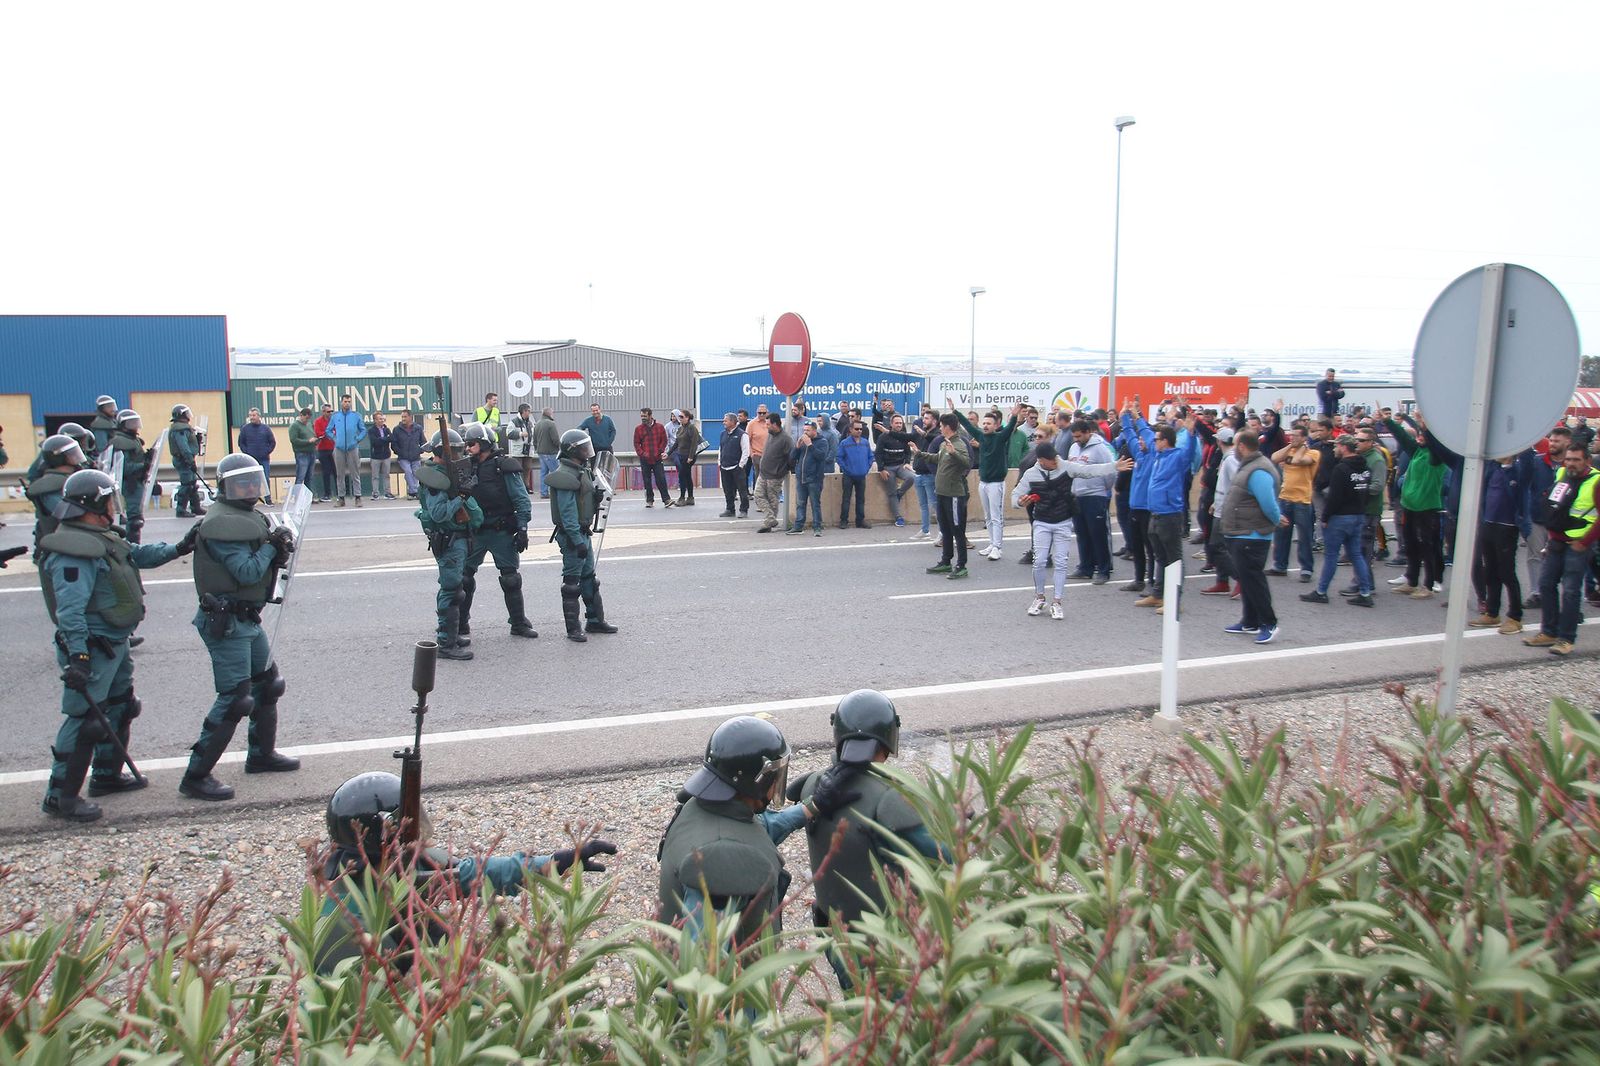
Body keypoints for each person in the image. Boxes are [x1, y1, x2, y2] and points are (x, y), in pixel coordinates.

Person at [315, 770, 617, 975]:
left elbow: (469, 875)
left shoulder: (397, 868)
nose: (419, 835)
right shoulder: (347, 923)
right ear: (386, 840)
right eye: (408, 828)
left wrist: (554, 862)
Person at [37, 469, 196, 821]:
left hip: (114, 642)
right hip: (92, 647)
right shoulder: (73, 551)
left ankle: (107, 776)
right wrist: (77, 656)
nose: (114, 505)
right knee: (86, 720)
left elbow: (137, 555)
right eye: (108, 500)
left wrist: (179, 548)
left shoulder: (102, 537)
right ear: (92, 505)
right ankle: (60, 795)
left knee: (122, 706)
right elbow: (70, 611)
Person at [657, 715, 859, 947]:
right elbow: (702, 962)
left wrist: (813, 806)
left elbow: (757, 828)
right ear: (759, 780)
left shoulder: (698, 809)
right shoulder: (722, 861)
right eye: (775, 776)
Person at [790, 690, 947, 988]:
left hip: (832, 928)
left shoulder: (816, 784)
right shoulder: (888, 801)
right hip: (879, 943)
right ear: (888, 738)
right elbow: (943, 855)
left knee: (857, 1009)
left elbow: (792, 794)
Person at [180, 454, 301, 802]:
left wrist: (277, 550)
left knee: (268, 684)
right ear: (225, 487)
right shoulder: (221, 526)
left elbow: (262, 564)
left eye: (253, 481)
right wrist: (268, 548)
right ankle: (196, 774)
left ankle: (261, 755)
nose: (249, 488)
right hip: (227, 621)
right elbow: (246, 571)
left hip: (247, 617)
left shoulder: (246, 517)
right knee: (235, 698)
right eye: (241, 483)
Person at [1012, 442, 1131, 618]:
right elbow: (1015, 495)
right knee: (1039, 561)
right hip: (1042, 522)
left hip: (1063, 522)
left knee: (1061, 563)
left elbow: (1089, 471)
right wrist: (1020, 502)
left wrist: (1114, 466)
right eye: (1051, 460)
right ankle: (1039, 597)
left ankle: (1057, 602)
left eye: (1056, 457)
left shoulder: (1065, 466)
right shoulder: (1031, 474)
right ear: (1041, 461)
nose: (1055, 461)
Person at [454, 423, 537, 642]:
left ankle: (518, 623)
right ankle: (460, 624)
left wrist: (522, 528)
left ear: (483, 444)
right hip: (475, 531)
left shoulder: (503, 466)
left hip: (500, 530)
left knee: (510, 579)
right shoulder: (464, 467)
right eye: (466, 444)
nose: (468, 448)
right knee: (463, 578)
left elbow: (521, 499)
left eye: (471, 444)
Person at [1524, 443, 1598, 656]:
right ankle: (1549, 632)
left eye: (1576, 459)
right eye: (1569, 459)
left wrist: (1585, 542)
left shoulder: (1596, 481)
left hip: (1578, 544)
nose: (1571, 463)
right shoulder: (1563, 473)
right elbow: (1556, 506)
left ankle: (1566, 638)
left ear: (1587, 461)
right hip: (1556, 540)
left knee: (1571, 591)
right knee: (1546, 584)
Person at [416, 429, 481, 661]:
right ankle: (446, 642)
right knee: (451, 590)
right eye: (454, 450)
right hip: (448, 539)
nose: (459, 454)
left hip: (458, 539)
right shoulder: (435, 480)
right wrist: (460, 498)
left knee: (456, 589)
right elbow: (440, 512)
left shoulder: (445, 474)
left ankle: (450, 635)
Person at [547, 429, 617, 642]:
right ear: (573, 451)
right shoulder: (564, 475)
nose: (588, 451)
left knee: (589, 579)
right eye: (584, 447)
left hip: (581, 533)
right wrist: (577, 541)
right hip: (572, 536)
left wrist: (594, 499)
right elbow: (568, 513)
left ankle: (595, 620)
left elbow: (582, 503)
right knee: (572, 583)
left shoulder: (580, 470)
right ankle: (573, 628)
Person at [1221, 431, 1286, 645]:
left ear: (1241, 446)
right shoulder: (1249, 465)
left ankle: (1269, 622)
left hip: (1253, 534)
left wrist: (1276, 519)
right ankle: (1250, 620)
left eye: (1235, 444)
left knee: (1254, 579)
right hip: (1241, 532)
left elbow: (1267, 502)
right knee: (1246, 578)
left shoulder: (1259, 469)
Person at [1132, 405, 1199, 614]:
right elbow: (1144, 432)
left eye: (1157, 439)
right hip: (1155, 512)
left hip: (1170, 514)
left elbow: (1189, 451)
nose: (1154, 441)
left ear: (1165, 441)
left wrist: (1190, 432)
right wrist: (1136, 417)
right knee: (1160, 556)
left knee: (1174, 559)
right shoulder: (1158, 455)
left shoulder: (1177, 456)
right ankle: (1158, 594)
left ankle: (1174, 600)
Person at [1382, 412, 1454, 599]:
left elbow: (1432, 441)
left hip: (1427, 508)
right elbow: (1404, 437)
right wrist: (1388, 422)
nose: (1420, 438)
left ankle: (1428, 585)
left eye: (1423, 436)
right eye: (1419, 435)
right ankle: (1411, 581)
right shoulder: (1417, 451)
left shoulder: (1435, 457)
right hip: (1410, 506)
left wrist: (1425, 426)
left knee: (1428, 547)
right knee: (1411, 545)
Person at [1300, 436, 1375, 608]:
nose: (1334, 449)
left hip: (1340, 517)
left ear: (1343, 447)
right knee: (1356, 555)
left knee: (1331, 556)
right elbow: (1367, 491)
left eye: (1336, 446)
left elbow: (1335, 497)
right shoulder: (1365, 468)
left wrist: (1325, 517)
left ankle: (1321, 591)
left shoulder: (1341, 469)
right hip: (1358, 515)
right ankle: (1365, 592)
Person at [1470, 450, 1537, 634]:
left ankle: (1515, 616)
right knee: (1490, 571)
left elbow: (1528, 461)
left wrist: (1520, 444)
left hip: (1507, 527)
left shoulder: (1518, 472)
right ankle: (1492, 613)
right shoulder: (1493, 469)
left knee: (1507, 572)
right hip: (1488, 524)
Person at [951, 401, 1023, 561]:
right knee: (988, 516)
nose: (985, 425)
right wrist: (955, 410)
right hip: (983, 483)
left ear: (996, 425)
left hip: (996, 483)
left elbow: (1011, 427)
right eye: (983, 423)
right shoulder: (981, 437)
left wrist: (1014, 415)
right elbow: (967, 426)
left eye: (988, 423)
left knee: (996, 516)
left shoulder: (1000, 437)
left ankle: (997, 547)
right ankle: (991, 543)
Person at [909, 413, 973, 579]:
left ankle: (961, 565)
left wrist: (954, 453)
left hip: (954, 495)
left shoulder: (958, 444)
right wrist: (919, 453)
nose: (939, 428)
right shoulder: (946, 444)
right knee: (945, 529)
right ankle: (946, 561)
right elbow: (937, 458)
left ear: (947, 427)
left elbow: (967, 463)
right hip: (942, 493)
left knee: (957, 530)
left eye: (941, 426)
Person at [1067, 418, 1117, 583]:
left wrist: (1103, 489)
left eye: (1079, 436)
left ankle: (1103, 569)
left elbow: (1110, 472)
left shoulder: (1100, 449)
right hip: (1077, 495)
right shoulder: (1074, 448)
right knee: (1082, 533)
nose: (1076, 440)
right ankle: (1085, 567)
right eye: (1074, 436)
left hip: (1095, 496)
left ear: (1088, 432)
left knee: (1098, 534)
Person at [1113, 400, 1156, 592]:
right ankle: (1139, 579)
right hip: (1135, 508)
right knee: (1137, 546)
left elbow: (1146, 434)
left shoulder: (1155, 457)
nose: (1140, 442)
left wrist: (1138, 418)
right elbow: (1130, 436)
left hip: (1148, 510)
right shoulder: (1139, 455)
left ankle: (1153, 581)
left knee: (1151, 548)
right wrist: (1124, 417)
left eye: (1143, 440)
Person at [1268, 425, 1320, 582]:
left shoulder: (1313, 453)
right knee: (1282, 534)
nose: (1293, 438)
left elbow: (1298, 460)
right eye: (1292, 435)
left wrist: (1302, 447)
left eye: (1297, 436)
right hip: (1285, 498)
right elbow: (1274, 458)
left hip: (1302, 500)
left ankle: (1306, 569)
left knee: (1304, 536)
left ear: (1305, 438)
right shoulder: (1289, 450)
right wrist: (1291, 445)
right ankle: (1280, 565)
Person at [27, 433, 87, 554]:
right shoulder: (50, 487)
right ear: (59, 457)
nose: (76, 455)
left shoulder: (67, 479)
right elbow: (70, 514)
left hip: (74, 541)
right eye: (71, 453)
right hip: (63, 548)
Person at [1199, 426, 1239, 596]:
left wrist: (1223, 503)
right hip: (1220, 506)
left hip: (1226, 511)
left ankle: (1240, 578)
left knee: (1216, 545)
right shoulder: (1226, 457)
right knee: (1221, 546)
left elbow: (1237, 483)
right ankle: (1222, 581)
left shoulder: (1230, 459)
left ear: (1219, 441)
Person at [106, 410, 152, 543]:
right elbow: (124, 467)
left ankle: (133, 546)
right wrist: (142, 465)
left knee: (137, 518)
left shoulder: (132, 439)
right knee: (135, 520)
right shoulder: (120, 441)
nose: (135, 426)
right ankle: (132, 548)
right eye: (131, 423)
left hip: (137, 480)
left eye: (136, 422)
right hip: (129, 482)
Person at [753, 412, 793, 532]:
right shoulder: (770, 435)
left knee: (772, 499)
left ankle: (769, 522)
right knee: (758, 495)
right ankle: (770, 519)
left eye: (768, 424)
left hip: (775, 475)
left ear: (775, 424)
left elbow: (790, 458)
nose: (766, 426)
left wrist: (782, 470)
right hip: (763, 473)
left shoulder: (785, 439)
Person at [874, 414, 916, 528]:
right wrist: (881, 469)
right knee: (891, 492)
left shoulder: (903, 436)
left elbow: (908, 452)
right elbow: (878, 454)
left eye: (900, 423)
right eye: (896, 423)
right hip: (888, 468)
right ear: (891, 424)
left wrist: (907, 462)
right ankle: (898, 517)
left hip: (900, 466)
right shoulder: (883, 437)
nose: (899, 425)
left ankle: (899, 494)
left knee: (912, 477)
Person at [787, 421, 828, 536]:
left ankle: (817, 527)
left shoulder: (822, 442)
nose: (805, 433)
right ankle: (798, 526)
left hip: (814, 478)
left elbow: (821, 457)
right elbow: (792, 458)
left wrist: (810, 445)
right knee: (800, 503)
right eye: (804, 430)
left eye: (808, 430)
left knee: (815, 504)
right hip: (801, 478)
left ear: (814, 430)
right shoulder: (803, 442)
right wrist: (797, 447)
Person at [326, 395, 367, 506]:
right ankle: (341, 498)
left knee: (355, 473)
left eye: (349, 401)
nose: (347, 403)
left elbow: (363, 430)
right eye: (345, 401)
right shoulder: (335, 416)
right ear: (341, 403)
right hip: (339, 448)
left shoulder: (356, 416)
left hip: (352, 448)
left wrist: (357, 439)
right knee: (340, 474)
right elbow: (328, 430)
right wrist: (335, 439)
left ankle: (358, 497)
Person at [168, 404, 206, 518]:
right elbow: (183, 447)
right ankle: (180, 510)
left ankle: (196, 507)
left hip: (186, 459)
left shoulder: (183, 428)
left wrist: (197, 441)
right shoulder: (180, 429)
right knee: (186, 485)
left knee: (192, 484)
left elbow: (189, 443)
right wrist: (190, 461)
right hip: (183, 460)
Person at [908, 410, 942, 541]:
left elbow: (934, 439)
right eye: (924, 418)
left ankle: (942, 532)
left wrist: (923, 433)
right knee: (923, 505)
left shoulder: (937, 434)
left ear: (934, 421)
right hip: (919, 474)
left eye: (927, 418)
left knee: (935, 504)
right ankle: (925, 530)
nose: (924, 421)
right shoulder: (921, 434)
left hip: (930, 475)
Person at [836, 420, 874, 529]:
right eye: (857, 429)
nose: (859, 431)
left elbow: (870, 457)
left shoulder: (865, 442)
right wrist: (846, 469)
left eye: (861, 429)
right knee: (846, 498)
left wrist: (867, 467)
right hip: (848, 476)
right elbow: (839, 457)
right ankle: (843, 521)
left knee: (861, 499)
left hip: (862, 475)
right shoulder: (844, 443)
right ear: (851, 430)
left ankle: (860, 521)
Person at [634, 407, 674, 509]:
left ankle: (666, 500)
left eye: (645, 416)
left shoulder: (660, 427)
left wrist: (660, 451)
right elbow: (636, 443)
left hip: (657, 458)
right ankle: (649, 500)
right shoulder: (638, 429)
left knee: (661, 479)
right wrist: (642, 453)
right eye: (641, 416)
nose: (643, 418)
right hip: (645, 459)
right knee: (647, 480)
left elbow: (664, 440)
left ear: (650, 416)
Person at [237, 408, 277, 504]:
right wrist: (247, 453)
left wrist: (266, 451)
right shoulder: (245, 429)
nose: (252, 417)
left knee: (265, 479)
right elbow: (241, 443)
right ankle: (252, 499)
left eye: (254, 415)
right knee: (252, 480)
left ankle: (268, 499)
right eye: (250, 415)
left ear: (259, 416)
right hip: (251, 460)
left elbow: (272, 442)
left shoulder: (265, 428)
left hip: (264, 459)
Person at [716, 412, 750, 518]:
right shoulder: (723, 434)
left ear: (732, 422)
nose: (723, 422)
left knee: (742, 489)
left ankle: (744, 510)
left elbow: (746, 451)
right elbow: (721, 449)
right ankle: (730, 509)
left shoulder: (742, 434)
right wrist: (719, 462)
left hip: (737, 467)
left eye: (725, 420)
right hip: (725, 466)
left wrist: (740, 465)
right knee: (728, 490)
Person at [392, 410, 425, 499]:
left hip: (415, 457)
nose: (403, 419)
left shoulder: (418, 428)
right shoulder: (397, 430)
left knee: (416, 473)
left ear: (410, 417)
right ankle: (414, 491)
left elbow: (423, 442)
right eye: (402, 417)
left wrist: (419, 450)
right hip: (403, 457)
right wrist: (399, 452)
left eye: (405, 417)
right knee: (408, 471)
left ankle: (413, 492)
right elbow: (394, 444)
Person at [671, 409, 702, 506]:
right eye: (679, 416)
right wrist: (668, 453)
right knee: (687, 476)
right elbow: (676, 443)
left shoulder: (691, 428)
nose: (679, 419)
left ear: (687, 418)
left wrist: (691, 457)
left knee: (682, 475)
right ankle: (690, 498)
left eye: (682, 417)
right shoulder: (680, 429)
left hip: (688, 457)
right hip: (681, 455)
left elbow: (694, 443)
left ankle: (682, 498)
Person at [507, 403, 537, 493]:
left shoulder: (530, 422)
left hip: (528, 450)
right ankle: (518, 487)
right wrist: (520, 434)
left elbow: (533, 434)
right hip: (518, 450)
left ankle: (526, 487)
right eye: (528, 411)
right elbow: (509, 434)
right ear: (524, 411)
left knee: (527, 468)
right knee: (518, 469)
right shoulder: (513, 422)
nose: (530, 413)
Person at [289, 407, 318, 495]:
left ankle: (308, 497)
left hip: (311, 452)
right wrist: (308, 441)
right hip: (302, 454)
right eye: (306, 418)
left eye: (308, 418)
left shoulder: (309, 424)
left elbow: (312, 434)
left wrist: (315, 440)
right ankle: (296, 496)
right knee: (301, 476)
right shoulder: (295, 426)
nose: (307, 420)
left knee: (309, 477)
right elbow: (294, 440)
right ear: (301, 415)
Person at [367, 413, 395, 499]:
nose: (382, 420)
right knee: (375, 476)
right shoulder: (371, 430)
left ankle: (387, 492)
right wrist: (384, 439)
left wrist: (383, 439)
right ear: (375, 420)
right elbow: (375, 441)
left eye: (382, 419)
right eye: (379, 419)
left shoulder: (387, 429)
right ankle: (375, 493)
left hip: (386, 455)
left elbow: (391, 438)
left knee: (386, 475)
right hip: (376, 456)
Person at [313, 403, 336, 501]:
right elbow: (319, 433)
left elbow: (336, 431)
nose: (330, 413)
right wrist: (328, 434)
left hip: (334, 448)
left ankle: (340, 494)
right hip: (323, 449)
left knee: (336, 472)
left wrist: (328, 434)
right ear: (323, 412)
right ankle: (327, 494)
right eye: (328, 412)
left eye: (331, 411)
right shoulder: (318, 421)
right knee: (326, 472)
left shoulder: (334, 420)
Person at [88, 395, 120, 461]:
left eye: (112, 406)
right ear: (102, 409)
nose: (112, 409)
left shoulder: (111, 421)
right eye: (109, 407)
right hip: (107, 461)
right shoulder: (100, 424)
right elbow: (102, 448)